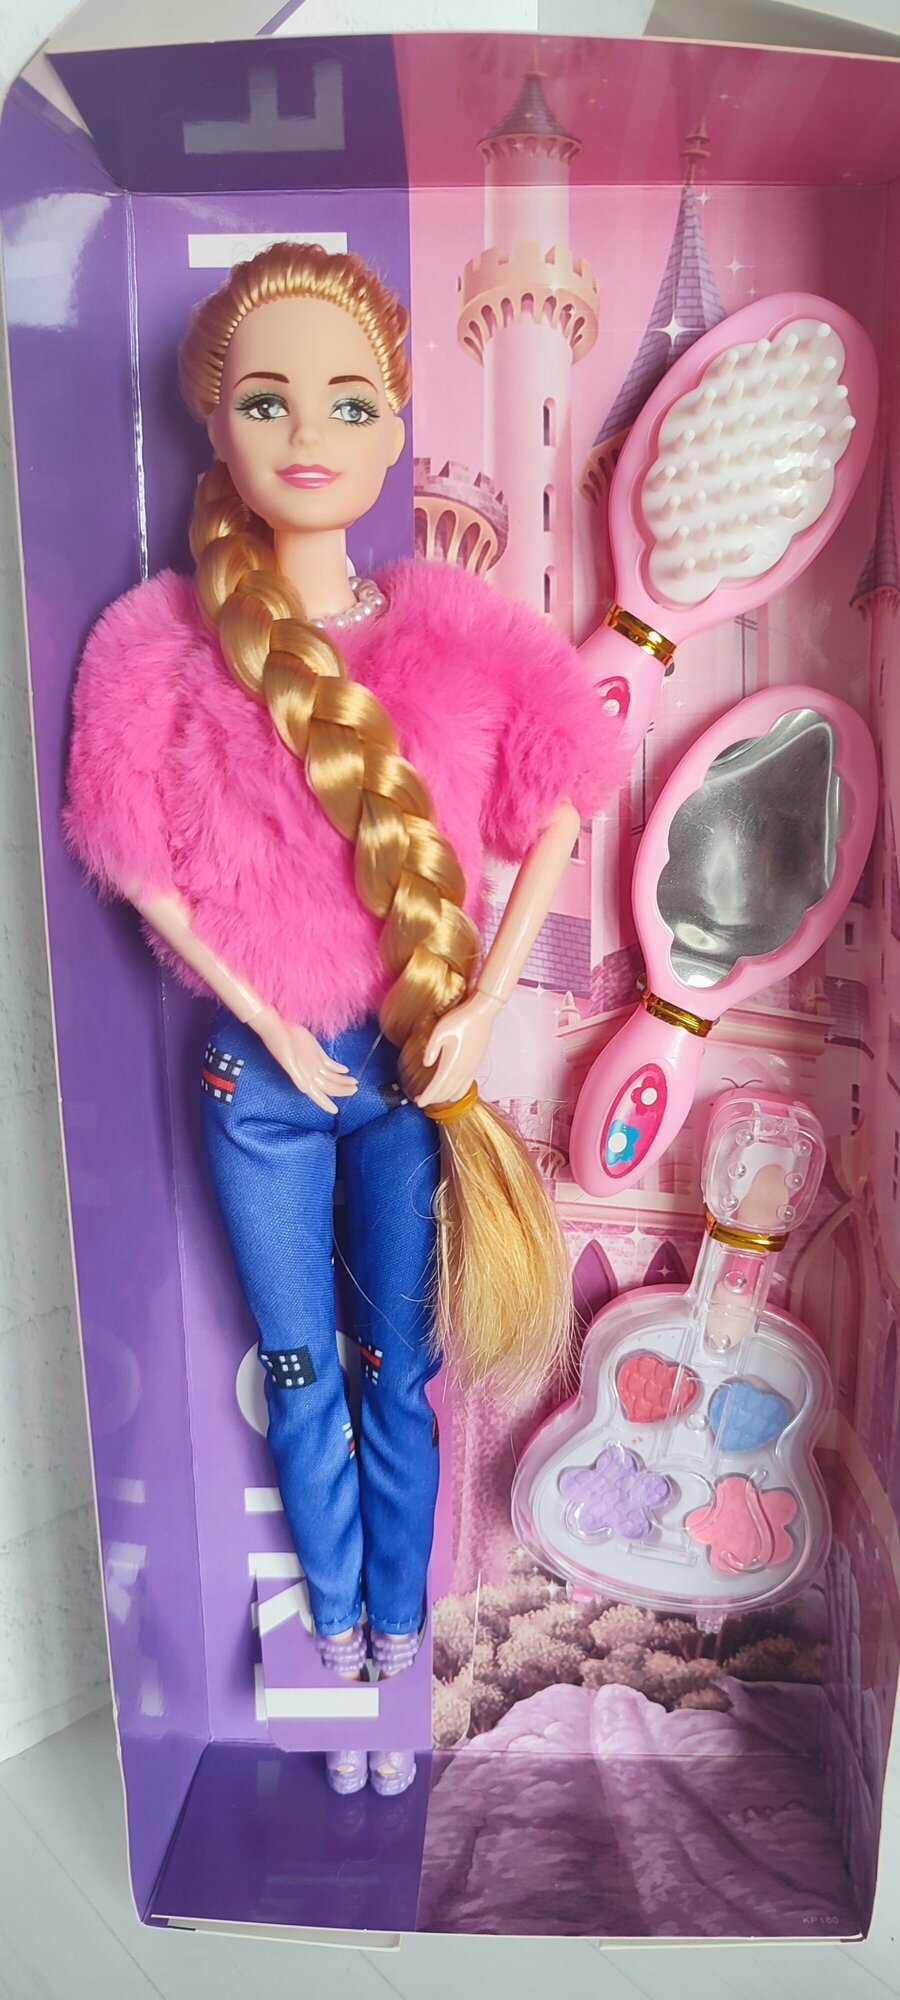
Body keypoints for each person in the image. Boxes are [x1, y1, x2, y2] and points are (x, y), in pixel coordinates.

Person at [64, 242, 630, 1793]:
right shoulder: (164, 642)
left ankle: (397, 1638)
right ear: (215, 424)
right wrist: (266, 1016)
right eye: (267, 400)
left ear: (395, 427)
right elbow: (134, 858)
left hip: (407, 1064)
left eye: (350, 401)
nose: (309, 430)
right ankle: (342, 1652)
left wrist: (486, 1003)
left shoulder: (454, 628)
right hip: (258, 1077)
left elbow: (568, 792)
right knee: (302, 1373)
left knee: (400, 1375)